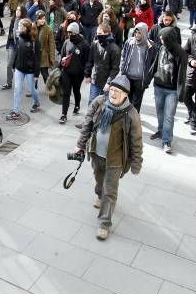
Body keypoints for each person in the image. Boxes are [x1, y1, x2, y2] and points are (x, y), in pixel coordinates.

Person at [74, 75, 143, 241]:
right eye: (111, 89)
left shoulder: (131, 114)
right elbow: (87, 124)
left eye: (117, 91)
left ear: (125, 95)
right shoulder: (99, 102)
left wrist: (136, 163)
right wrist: (80, 144)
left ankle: (104, 223)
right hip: (96, 153)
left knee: (110, 190)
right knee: (99, 180)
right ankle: (99, 194)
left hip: (116, 160)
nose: (113, 93)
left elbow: (136, 141)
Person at [150, 26, 186, 154]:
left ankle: (166, 141)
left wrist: (181, 93)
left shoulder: (181, 53)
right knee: (160, 113)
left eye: (162, 38)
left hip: (172, 91)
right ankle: (160, 131)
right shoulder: (161, 47)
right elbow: (155, 64)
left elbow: (182, 75)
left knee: (169, 116)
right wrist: (148, 78)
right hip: (158, 86)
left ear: (169, 38)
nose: (160, 40)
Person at [119, 22, 158, 112]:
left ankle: (133, 121)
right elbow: (123, 55)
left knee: (136, 103)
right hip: (127, 77)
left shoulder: (150, 46)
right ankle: (124, 118)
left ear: (144, 33)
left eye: (139, 32)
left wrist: (148, 78)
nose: (137, 34)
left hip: (141, 79)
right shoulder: (129, 42)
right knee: (125, 100)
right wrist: (122, 67)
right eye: (135, 32)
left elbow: (153, 64)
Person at [84, 22, 121, 108]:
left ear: (107, 33)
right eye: (97, 33)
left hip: (107, 82)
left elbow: (115, 69)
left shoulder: (115, 49)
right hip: (95, 79)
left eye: (100, 33)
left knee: (105, 105)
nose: (97, 35)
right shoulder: (94, 44)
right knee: (92, 102)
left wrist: (109, 83)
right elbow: (90, 61)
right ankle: (89, 121)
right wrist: (87, 74)